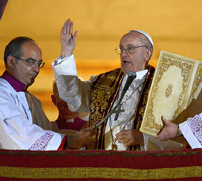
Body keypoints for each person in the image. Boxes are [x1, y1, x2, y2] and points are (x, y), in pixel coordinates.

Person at [52, 19, 183, 151]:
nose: (123, 54)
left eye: (130, 49)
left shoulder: (165, 87)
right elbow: (72, 96)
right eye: (121, 49)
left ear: (147, 54)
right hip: (101, 160)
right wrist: (66, 54)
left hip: (139, 164)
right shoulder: (103, 81)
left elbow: (178, 138)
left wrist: (143, 138)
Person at [0, 36, 94, 150]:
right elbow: (20, 135)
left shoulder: (33, 101)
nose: (37, 69)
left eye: (39, 64)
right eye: (31, 62)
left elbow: (46, 132)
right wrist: (69, 140)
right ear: (11, 61)